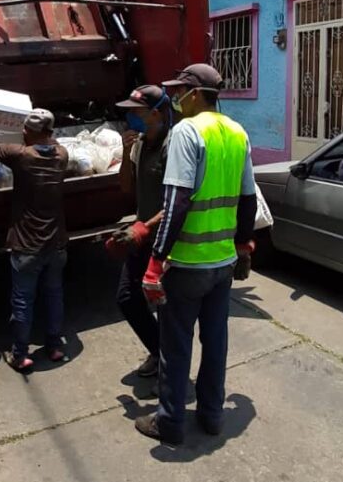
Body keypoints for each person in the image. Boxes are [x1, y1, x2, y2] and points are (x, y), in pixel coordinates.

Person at [135, 64, 257, 445]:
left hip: (187, 264)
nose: (175, 98)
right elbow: (249, 198)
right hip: (222, 263)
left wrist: (156, 262)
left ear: (194, 93)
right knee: (215, 342)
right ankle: (212, 415)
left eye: (179, 91)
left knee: (175, 346)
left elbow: (177, 201)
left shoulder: (188, 131)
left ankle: (170, 423)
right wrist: (243, 246)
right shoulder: (237, 132)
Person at [0, 101, 69, 373]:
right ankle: (54, 346)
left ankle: (20, 354)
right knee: (54, 296)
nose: (24, 133)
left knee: (22, 301)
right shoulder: (62, 155)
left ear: (31, 132)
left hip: (27, 245)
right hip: (57, 244)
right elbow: (50, 146)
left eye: (26, 129)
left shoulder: (22, 156)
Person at [110, 85, 171, 377]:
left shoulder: (173, 146)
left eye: (137, 111)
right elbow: (125, 188)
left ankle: (169, 367)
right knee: (127, 297)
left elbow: (177, 202)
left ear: (156, 113)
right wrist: (125, 152)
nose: (132, 116)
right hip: (142, 232)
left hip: (165, 238)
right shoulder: (140, 144)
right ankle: (159, 350)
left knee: (167, 308)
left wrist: (145, 228)